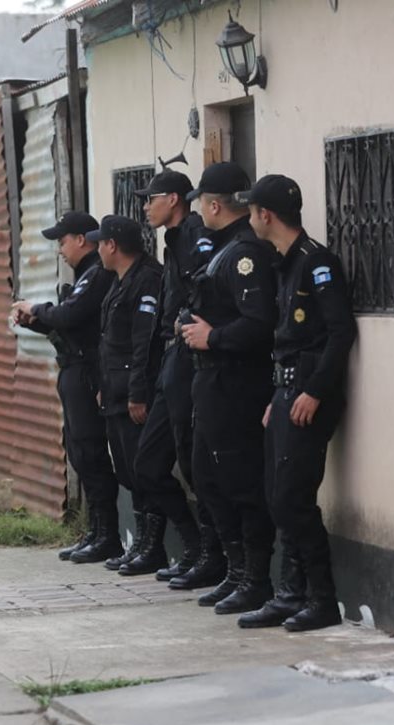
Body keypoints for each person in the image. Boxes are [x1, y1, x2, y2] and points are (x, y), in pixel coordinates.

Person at [236, 174, 357, 631]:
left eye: (251, 211)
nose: (249, 219)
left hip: (309, 396)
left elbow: (339, 333)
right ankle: (289, 594)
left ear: (265, 215)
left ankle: (321, 600)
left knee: (293, 499)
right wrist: (277, 395)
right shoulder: (282, 262)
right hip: (286, 393)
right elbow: (284, 343)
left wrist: (313, 391)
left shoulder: (315, 262)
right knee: (276, 495)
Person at [180, 162, 279, 616]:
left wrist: (212, 337)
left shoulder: (245, 253)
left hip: (236, 381)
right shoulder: (222, 248)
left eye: (201, 200)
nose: (198, 208)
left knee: (239, 481)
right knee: (207, 476)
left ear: (214, 204)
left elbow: (259, 323)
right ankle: (235, 571)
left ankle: (255, 579)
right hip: (211, 380)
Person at [130, 170, 226, 589]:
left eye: (151, 199)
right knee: (148, 464)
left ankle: (213, 555)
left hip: (191, 356)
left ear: (173, 199)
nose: (146, 207)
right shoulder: (173, 241)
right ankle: (193, 545)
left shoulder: (193, 232)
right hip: (170, 360)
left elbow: (204, 288)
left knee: (194, 461)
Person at [11, 211, 120, 563]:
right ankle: (96, 531)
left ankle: (108, 536)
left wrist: (36, 308)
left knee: (90, 452)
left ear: (81, 240)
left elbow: (71, 315)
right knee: (78, 452)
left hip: (88, 373)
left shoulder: (96, 274)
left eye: (62, 241)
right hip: (73, 368)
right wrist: (36, 321)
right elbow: (68, 322)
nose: (59, 249)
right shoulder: (86, 274)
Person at [83, 215, 166, 573]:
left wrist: (136, 393)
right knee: (129, 473)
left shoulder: (146, 279)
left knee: (143, 470)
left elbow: (142, 343)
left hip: (134, 394)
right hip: (116, 392)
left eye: (100, 242)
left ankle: (154, 547)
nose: (97, 249)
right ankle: (143, 545)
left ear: (112, 246)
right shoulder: (119, 281)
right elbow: (110, 344)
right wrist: (105, 386)